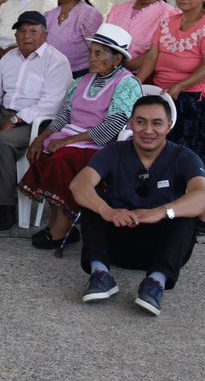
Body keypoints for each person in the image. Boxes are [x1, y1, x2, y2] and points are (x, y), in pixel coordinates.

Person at [70, 94, 205, 316]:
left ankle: (155, 283)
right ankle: (100, 275)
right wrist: (107, 211)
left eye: (157, 123)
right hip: (116, 241)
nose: (148, 130)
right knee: (92, 198)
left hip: (159, 248)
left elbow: (203, 196)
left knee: (185, 212)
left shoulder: (183, 156)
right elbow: (79, 184)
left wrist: (162, 212)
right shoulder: (114, 151)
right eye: (141, 121)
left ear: (169, 126)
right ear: (131, 123)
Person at [19, 24, 142, 248]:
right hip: (75, 141)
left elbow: (112, 127)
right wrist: (43, 136)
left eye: (98, 53)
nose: (91, 58)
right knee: (43, 153)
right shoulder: (83, 81)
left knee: (61, 158)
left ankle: (60, 228)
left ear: (116, 59)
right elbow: (64, 115)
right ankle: (61, 220)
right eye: (90, 52)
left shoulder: (126, 84)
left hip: (104, 146)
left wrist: (66, 141)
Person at [134, 0, 205, 234]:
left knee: (202, 160)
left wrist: (180, 86)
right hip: (168, 100)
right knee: (168, 156)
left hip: (203, 101)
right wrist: (134, 86)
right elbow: (151, 58)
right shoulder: (167, 22)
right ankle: (171, 207)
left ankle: (203, 214)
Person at [0, 10, 74, 229]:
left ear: (45, 35)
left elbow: (52, 103)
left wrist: (18, 118)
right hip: (3, 112)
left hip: (39, 122)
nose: (26, 35)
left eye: (33, 31)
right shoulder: (9, 57)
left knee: (1, 142)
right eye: (21, 31)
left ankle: (4, 209)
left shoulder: (57, 61)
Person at [105, 0, 176, 70]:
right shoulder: (118, 10)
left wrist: (126, 68)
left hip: (144, 76)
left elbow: (160, 51)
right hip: (108, 71)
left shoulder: (169, 14)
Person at [44, 0, 103, 78]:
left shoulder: (89, 14)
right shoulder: (48, 16)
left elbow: (97, 51)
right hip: (51, 75)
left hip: (81, 76)